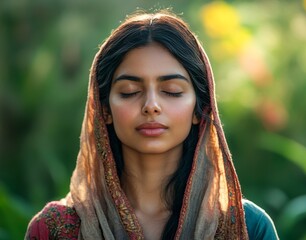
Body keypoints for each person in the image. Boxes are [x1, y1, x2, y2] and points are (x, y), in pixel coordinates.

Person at [25, 11, 279, 240]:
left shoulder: (249, 228)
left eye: (171, 91)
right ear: (104, 110)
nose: (151, 105)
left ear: (199, 109)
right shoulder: (53, 229)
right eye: (129, 91)